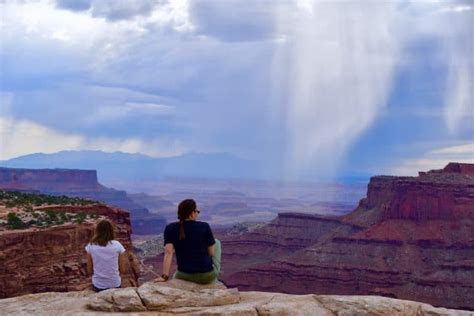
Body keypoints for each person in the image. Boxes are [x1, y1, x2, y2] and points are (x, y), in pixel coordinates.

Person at [156, 199, 221, 284]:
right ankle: (213, 280)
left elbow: (168, 253)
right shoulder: (204, 226)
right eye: (197, 211)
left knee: (176, 275)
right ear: (192, 212)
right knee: (216, 242)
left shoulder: (170, 228)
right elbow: (211, 253)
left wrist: (165, 276)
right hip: (207, 275)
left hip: (183, 276)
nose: (198, 213)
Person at [85, 219, 127, 292]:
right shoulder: (118, 245)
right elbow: (123, 270)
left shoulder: (91, 246)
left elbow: (89, 271)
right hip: (115, 284)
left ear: (97, 231)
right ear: (111, 230)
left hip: (98, 285)